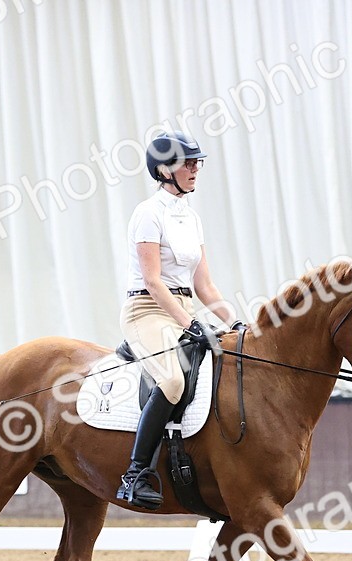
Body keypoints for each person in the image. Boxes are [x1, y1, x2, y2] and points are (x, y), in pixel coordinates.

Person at [117, 131, 244, 509]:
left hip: (183, 312)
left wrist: (234, 320)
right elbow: (154, 281)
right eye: (187, 163)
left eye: (197, 162)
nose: (195, 169)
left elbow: (203, 284)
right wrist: (190, 325)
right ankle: (135, 473)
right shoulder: (148, 213)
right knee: (172, 380)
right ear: (163, 169)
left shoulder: (191, 218)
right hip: (147, 311)